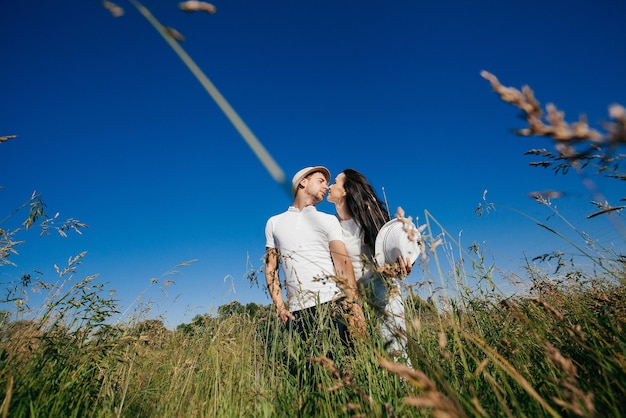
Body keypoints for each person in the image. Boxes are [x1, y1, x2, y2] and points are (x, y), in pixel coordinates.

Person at [264, 166, 366, 354]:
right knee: (310, 378)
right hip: (297, 313)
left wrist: (354, 305)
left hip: (332, 305)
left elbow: (342, 263)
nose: (326, 187)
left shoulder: (328, 220)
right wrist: (280, 307)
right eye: (321, 181)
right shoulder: (274, 223)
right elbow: (271, 268)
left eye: (328, 183)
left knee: (342, 372)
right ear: (303, 182)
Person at [327, 168, 414, 362]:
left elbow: (401, 247)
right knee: (355, 363)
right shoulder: (331, 225)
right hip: (351, 302)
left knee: (397, 359)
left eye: (335, 182)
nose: (329, 186)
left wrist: (405, 263)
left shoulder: (373, 219)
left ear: (346, 190)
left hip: (384, 299)